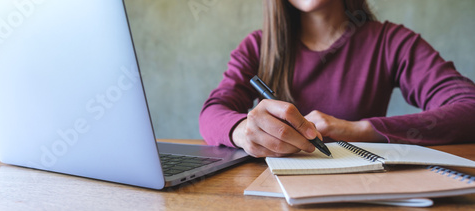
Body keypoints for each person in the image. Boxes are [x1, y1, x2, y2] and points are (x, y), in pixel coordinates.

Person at [199, 0, 475, 158]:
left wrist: (359, 129)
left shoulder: (391, 42)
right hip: (274, 196)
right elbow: (212, 112)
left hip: (365, 195)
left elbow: (469, 107)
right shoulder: (258, 47)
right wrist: (242, 131)